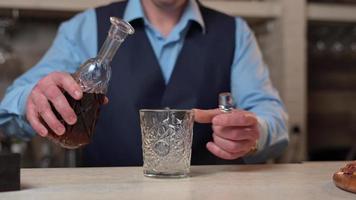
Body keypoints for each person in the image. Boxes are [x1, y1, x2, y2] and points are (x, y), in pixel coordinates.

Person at [0, 0, 288, 166]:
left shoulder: (235, 33)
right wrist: (32, 101)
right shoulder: (86, 27)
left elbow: (271, 117)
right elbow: (8, 113)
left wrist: (253, 133)